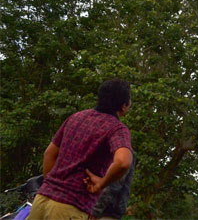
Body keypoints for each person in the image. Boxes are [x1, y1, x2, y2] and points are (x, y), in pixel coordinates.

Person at [27, 79, 133, 220]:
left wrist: (51, 187)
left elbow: (49, 154)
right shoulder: (117, 129)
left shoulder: (76, 117)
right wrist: (101, 183)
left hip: (41, 200)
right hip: (70, 208)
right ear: (124, 106)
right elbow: (122, 162)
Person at [91, 151, 135, 220]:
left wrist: (95, 210)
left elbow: (113, 186)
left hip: (109, 212)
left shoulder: (124, 152)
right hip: (98, 208)